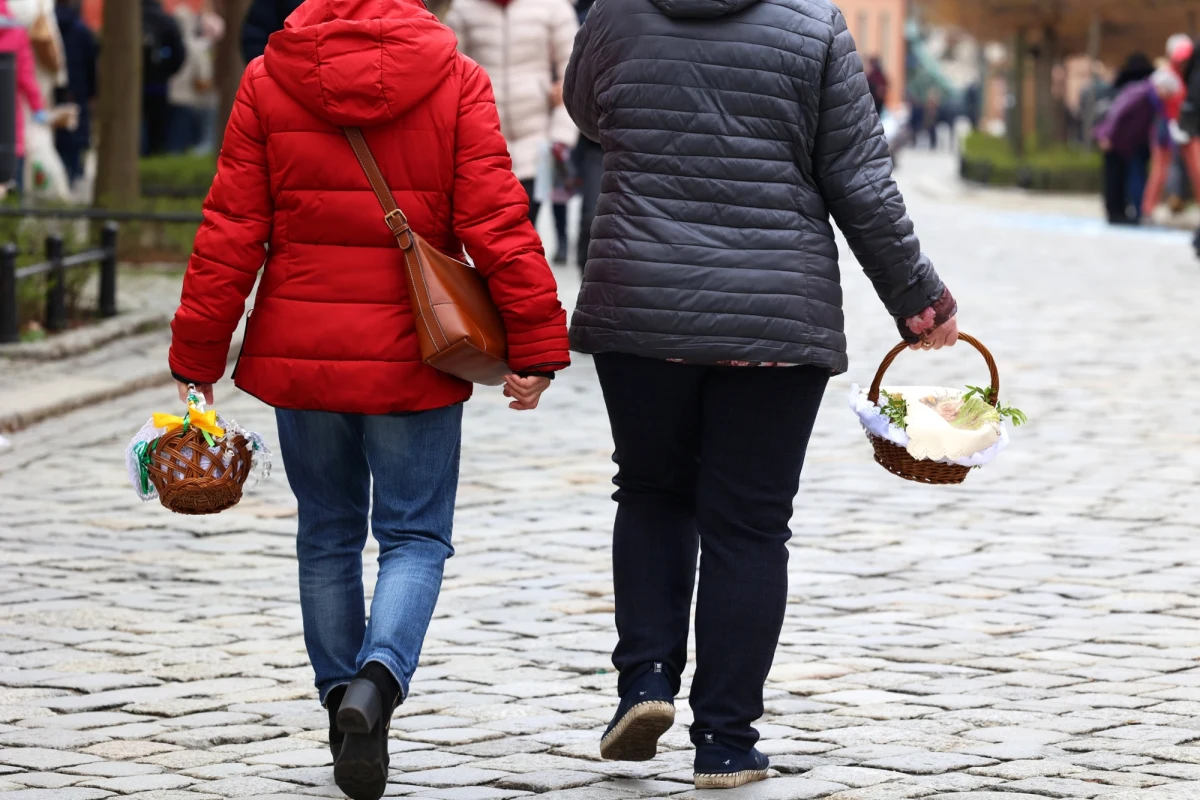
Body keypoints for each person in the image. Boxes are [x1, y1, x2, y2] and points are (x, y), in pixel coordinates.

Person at [168, 2, 570, 799]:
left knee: (326, 534)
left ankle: (339, 704)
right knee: (415, 536)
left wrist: (197, 354)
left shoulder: (269, 79)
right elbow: (496, 221)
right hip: (415, 354)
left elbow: (231, 228)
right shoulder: (455, 77)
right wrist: (535, 341)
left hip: (302, 352)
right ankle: (377, 682)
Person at [564, 0, 958, 789]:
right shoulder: (814, 25)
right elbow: (858, 177)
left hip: (642, 301)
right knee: (748, 526)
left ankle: (645, 680)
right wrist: (918, 297)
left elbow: (586, 109)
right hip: (776, 315)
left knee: (650, 491)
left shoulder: (614, 13)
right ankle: (725, 740)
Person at [445, 0, 579, 226]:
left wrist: (561, 136)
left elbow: (573, 75)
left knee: (524, 225)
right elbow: (451, 72)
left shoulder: (553, 7)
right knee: (492, 229)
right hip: (482, 147)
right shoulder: (463, 8)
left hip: (537, 145)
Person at [1096, 69, 1183, 225]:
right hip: (1115, 140)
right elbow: (1118, 111)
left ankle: (1121, 213)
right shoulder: (1140, 94)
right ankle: (1114, 214)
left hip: (1126, 143)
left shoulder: (1151, 99)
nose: (1168, 96)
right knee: (1114, 179)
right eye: (1168, 92)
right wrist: (1107, 135)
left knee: (1122, 178)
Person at [0, 0, 47, 191]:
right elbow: (25, 77)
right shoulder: (17, 34)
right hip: (8, 120)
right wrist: (38, 108)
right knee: (11, 183)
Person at [53, 0, 97, 187]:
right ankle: (71, 179)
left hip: (52, 92)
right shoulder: (82, 30)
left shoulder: (46, 26)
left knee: (56, 139)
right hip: (77, 93)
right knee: (74, 141)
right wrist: (92, 92)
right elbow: (91, 66)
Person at [167, 5, 219, 154]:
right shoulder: (197, 49)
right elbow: (203, 80)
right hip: (189, 103)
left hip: (168, 100)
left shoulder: (167, 45)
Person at [142, 0, 185, 155]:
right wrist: (167, 72)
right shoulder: (167, 21)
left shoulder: (132, 20)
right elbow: (180, 54)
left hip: (132, 89)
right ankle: (155, 156)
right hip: (159, 86)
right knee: (157, 129)